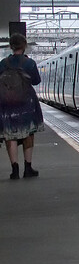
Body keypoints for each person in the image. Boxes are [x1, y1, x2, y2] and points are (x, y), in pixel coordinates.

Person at [0, 33, 44, 179]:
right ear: (24, 45)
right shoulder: (29, 63)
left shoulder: (3, 63)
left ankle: (14, 170)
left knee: (10, 135)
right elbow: (37, 81)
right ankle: (28, 168)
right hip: (26, 103)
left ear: (11, 46)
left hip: (7, 104)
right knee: (28, 133)